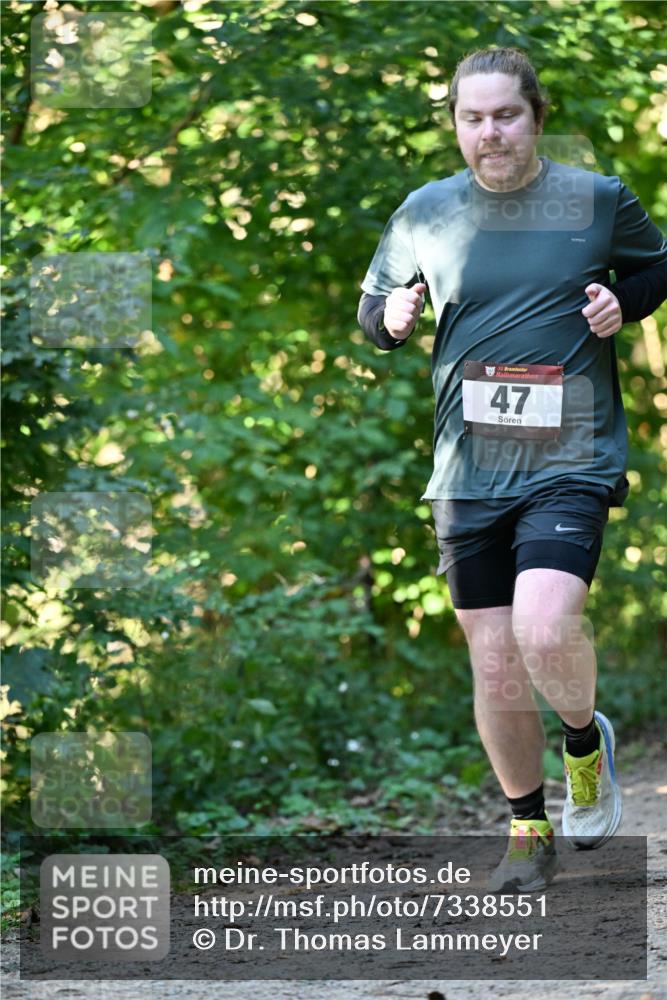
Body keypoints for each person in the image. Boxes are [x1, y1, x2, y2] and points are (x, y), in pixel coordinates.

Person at [357, 47, 667, 892]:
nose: (488, 132)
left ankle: (581, 739)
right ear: (454, 123)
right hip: (466, 464)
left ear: (533, 115)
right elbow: (372, 314)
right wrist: (389, 317)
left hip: (571, 453)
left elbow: (655, 266)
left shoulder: (594, 199)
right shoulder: (425, 212)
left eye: (504, 115)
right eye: (471, 117)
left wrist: (619, 302)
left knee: (540, 629)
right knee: (492, 658)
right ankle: (528, 827)